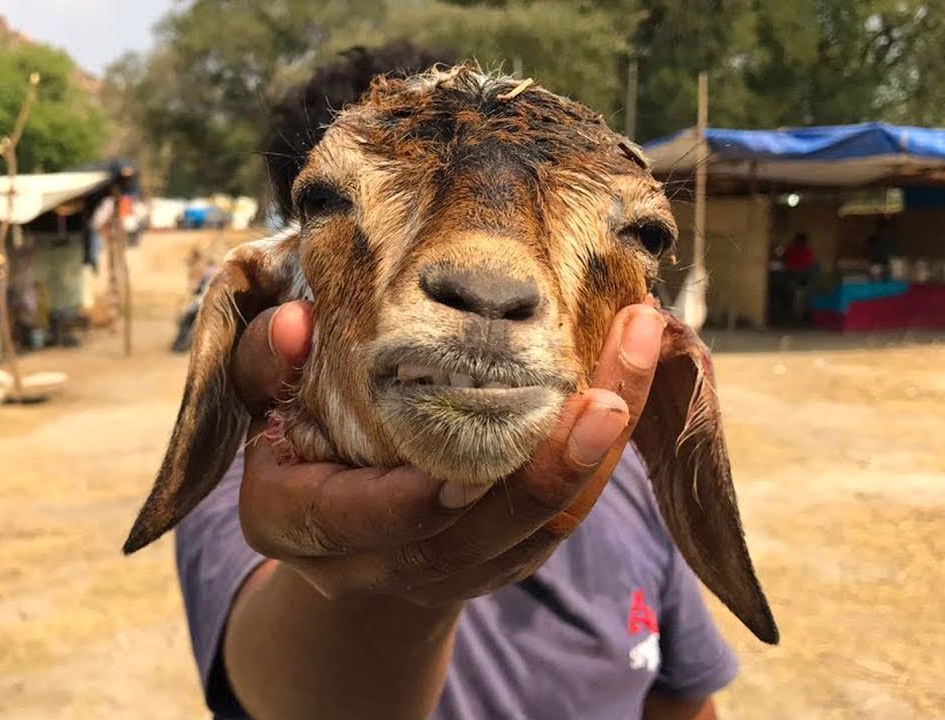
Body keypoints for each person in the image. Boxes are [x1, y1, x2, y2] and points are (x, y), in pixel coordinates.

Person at [172, 44, 741, 720]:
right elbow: (292, 699)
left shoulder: (622, 480)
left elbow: (684, 704)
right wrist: (402, 575)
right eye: (332, 201)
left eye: (639, 234)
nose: (486, 272)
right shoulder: (250, 481)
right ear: (283, 284)